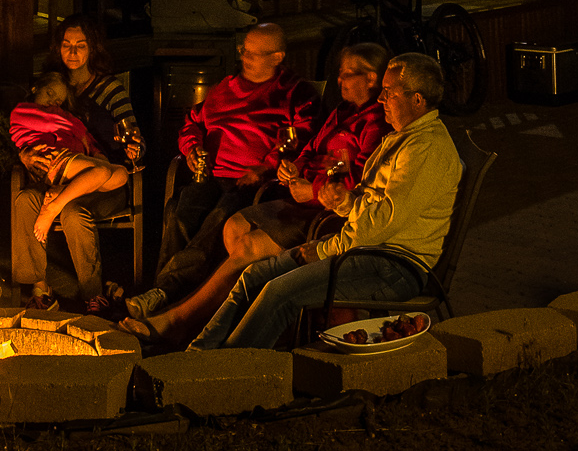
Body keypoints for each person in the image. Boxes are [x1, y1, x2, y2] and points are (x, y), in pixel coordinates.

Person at [120, 42, 391, 347]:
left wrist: (278, 172)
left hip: (321, 209)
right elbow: (310, 148)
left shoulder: (366, 119)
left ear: (371, 78)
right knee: (214, 222)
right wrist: (295, 168)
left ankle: (181, 320)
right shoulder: (340, 111)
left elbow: (356, 179)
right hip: (273, 188)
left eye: (348, 74)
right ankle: (202, 307)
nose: (339, 80)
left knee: (243, 242)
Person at [189, 52, 462, 352]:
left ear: (418, 100)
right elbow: (371, 204)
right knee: (255, 275)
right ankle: (200, 353)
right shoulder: (401, 138)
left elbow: (379, 225)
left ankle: (231, 370)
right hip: (365, 249)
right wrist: (345, 200)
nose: (381, 99)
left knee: (279, 293)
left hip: (394, 265)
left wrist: (323, 249)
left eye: (389, 92)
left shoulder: (425, 149)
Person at [124, 22, 316, 320]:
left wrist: (265, 167)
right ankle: (164, 293)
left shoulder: (295, 94)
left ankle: (166, 296)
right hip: (213, 173)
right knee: (179, 211)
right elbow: (193, 121)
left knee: (216, 220)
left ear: (277, 57)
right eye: (244, 51)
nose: (245, 58)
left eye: (254, 53)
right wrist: (191, 148)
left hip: (254, 182)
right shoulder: (226, 88)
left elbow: (299, 140)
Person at [9, 70, 131, 317]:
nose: (55, 103)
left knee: (116, 175)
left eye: (60, 101)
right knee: (25, 200)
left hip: (84, 179)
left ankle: (92, 293)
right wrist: (23, 154)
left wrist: (99, 151)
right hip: (60, 171)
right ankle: (39, 288)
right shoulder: (50, 115)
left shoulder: (109, 93)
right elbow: (46, 125)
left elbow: (99, 150)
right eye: (51, 95)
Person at [46, 14, 146, 171]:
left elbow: (133, 134)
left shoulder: (109, 88)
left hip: (105, 169)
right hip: (63, 168)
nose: (72, 52)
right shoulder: (51, 89)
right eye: (67, 45)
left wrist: (135, 148)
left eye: (80, 46)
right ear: (58, 48)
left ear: (91, 49)